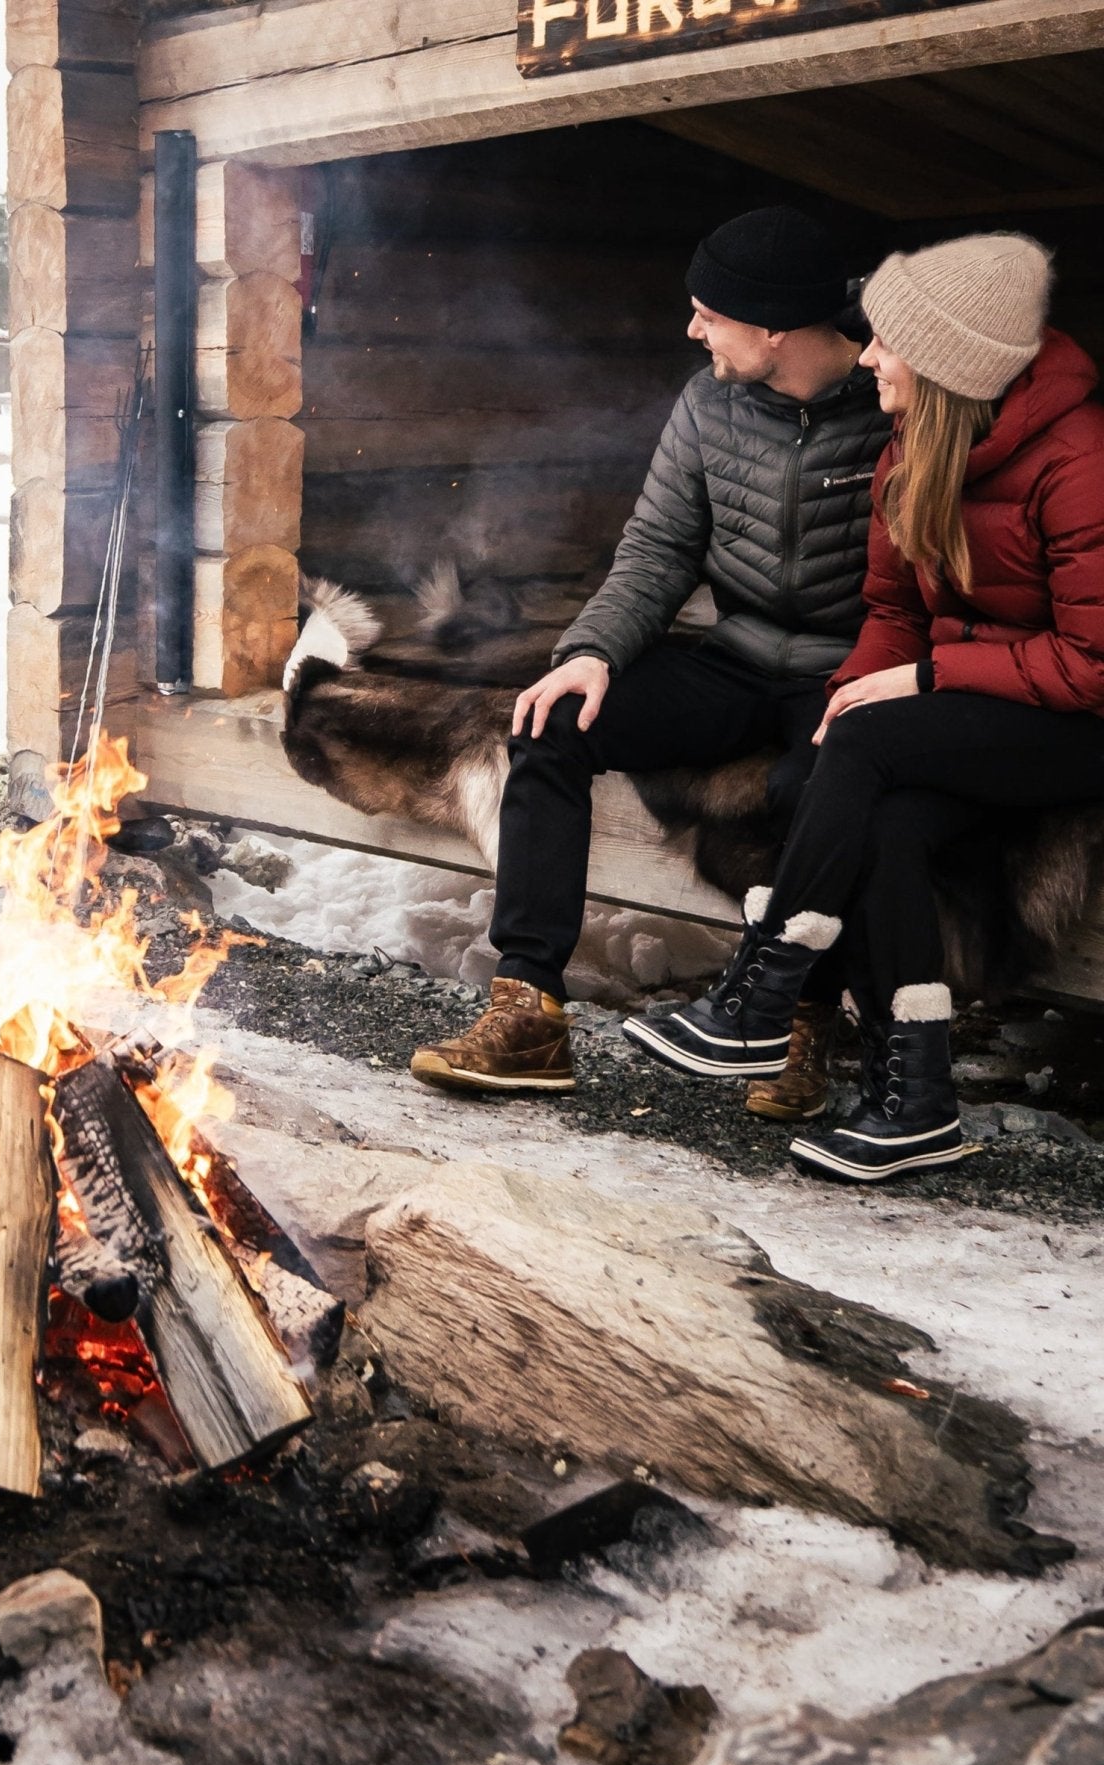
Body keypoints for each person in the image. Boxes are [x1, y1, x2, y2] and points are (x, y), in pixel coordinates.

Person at [624, 233, 1104, 1182]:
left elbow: (1093, 663)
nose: (868, 355)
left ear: (950, 364)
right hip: (985, 704)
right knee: (866, 797)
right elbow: (890, 611)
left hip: (1078, 721)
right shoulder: (915, 444)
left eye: (887, 342)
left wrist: (921, 683)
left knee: (874, 743)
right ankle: (915, 1102)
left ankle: (760, 995)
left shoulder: (1077, 459)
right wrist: (850, 697)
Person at [411, 207, 890, 1119]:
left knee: (814, 788)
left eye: (710, 314)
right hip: (736, 652)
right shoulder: (708, 401)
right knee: (550, 720)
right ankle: (529, 1010)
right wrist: (589, 653)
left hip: (851, 668)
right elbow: (660, 548)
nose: (692, 330)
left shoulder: (894, 401)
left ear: (775, 328)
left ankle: (802, 1023)